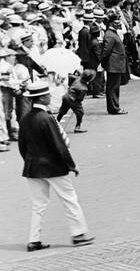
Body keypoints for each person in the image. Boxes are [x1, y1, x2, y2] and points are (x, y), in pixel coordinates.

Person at [18, 80, 95, 251]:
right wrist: (71, 165)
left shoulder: (25, 119)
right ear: (43, 97)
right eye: (47, 94)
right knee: (69, 199)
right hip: (53, 167)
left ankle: (34, 240)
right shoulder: (47, 118)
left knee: (38, 205)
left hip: (32, 167)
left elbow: (22, 147)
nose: (50, 96)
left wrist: (30, 161)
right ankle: (78, 234)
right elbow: (59, 144)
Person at [99, 10, 128, 115]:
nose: (119, 23)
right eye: (116, 21)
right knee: (113, 88)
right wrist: (104, 63)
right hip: (113, 65)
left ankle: (113, 107)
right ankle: (114, 108)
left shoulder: (112, 33)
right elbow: (106, 52)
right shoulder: (110, 35)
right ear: (111, 23)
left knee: (113, 87)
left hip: (115, 64)